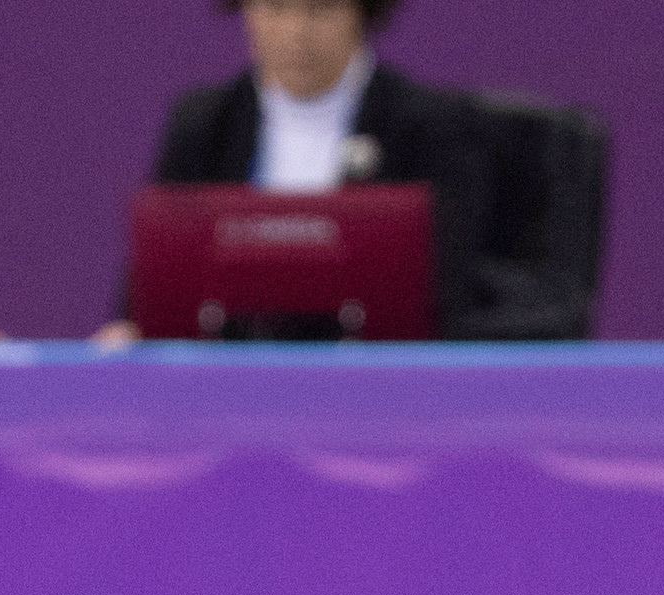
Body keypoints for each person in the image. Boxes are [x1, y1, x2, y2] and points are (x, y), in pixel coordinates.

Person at [96, 0, 572, 343]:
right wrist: (131, 334)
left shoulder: (430, 129)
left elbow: (448, 293)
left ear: (361, 13)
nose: (296, 31)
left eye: (319, 9)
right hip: (228, 393)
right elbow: (154, 290)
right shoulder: (203, 125)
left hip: (380, 398)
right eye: (275, 7)